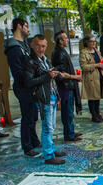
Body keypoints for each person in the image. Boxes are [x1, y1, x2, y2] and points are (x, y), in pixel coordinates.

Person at [23, 34, 70, 165]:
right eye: (38, 45)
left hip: (52, 94)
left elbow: (50, 74)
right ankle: (48, 155)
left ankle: (51, 149)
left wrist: (55, 74)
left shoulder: (44, 59)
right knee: (47, 127)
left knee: (52, 126)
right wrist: (47, 76)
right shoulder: (30, 61)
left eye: (43, 46)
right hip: (43, 97)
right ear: (33, 44)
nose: (41, 48)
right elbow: (29, 82)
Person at [5, 18, 41, 157]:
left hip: (31, 86)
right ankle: (27, 146)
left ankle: (34, 141)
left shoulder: (24, 44)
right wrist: (31, 80)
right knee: (27, 117)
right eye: (26, 26)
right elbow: (18, 71)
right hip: (24, 87)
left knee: (33, 116)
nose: (28, 29)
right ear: (19, 26)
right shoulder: (14, 47)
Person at [51, 30, 83, 142]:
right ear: (60, 40)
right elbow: (60, 73)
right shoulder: (58, 53)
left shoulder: (61, 51)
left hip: (68, 85)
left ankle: (71, 132)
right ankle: (69, 135)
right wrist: (75, 77)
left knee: (69, 111)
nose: (67, 40)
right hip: (65, 87)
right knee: (67, 111)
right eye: (65, 38)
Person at [79, 34, 103, 122]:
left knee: (98, 96)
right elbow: (83, 66)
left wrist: (102, 65)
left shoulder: (96, 51)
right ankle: (93, 115)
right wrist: (96, 65)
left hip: (98, 75)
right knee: (92, 97)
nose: (94, 43)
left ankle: (97, 113)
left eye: (95, 41)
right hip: (90, 78)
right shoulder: (83, 52)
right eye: (91, 41)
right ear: (87, 42)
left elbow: (101, 60)